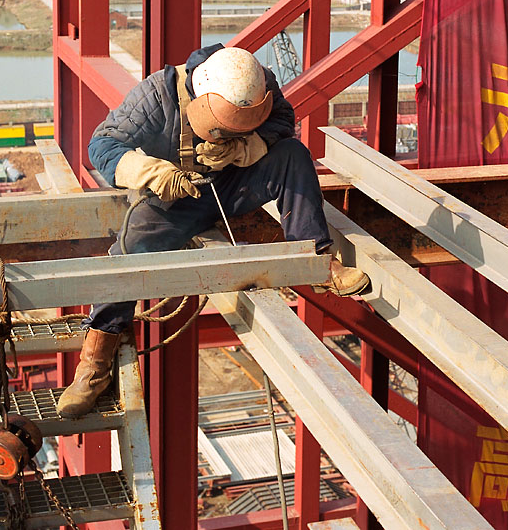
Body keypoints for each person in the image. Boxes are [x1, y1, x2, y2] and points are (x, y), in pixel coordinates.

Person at [57, 43, 368, 418]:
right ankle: (96, 357)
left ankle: (318, 263)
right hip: (175, 198)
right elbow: (102, 145)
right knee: (131, 248)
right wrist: (153, 173)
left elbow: (282, 120)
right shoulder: (157, 97)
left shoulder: (255, 84)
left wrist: (246, 147)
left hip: (233, 185)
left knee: (293, 156)